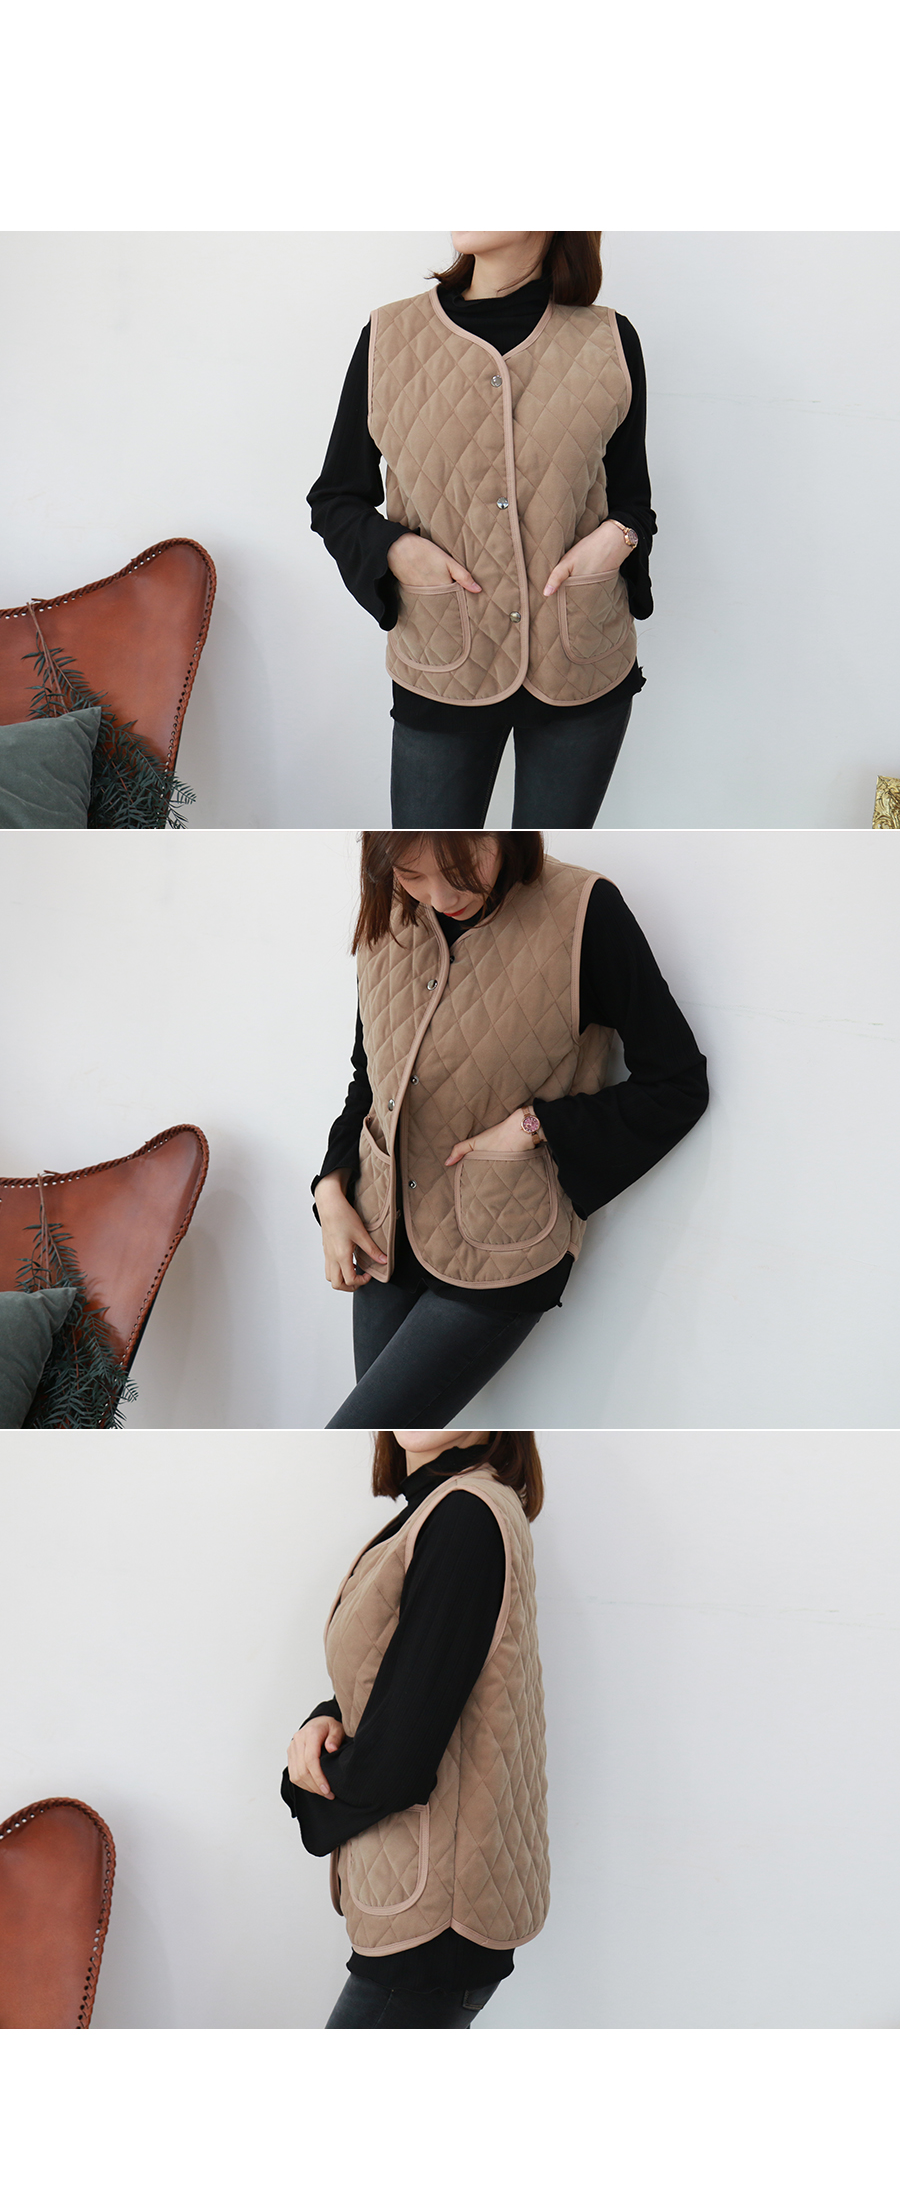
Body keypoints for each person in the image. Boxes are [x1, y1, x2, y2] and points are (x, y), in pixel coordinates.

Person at [313, 827, 708, 1428]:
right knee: (387, 1447)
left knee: (359, 1430)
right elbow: (372, 1078)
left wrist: (535, 1124)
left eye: (460, 869)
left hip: (501, 1246)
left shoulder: (584, 911)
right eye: (413, 875)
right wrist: (330, 1191)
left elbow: (677, 1084)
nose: (441, 897)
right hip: (379, 1235)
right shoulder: (389, 910)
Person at [309, 225, 655, 826]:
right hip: (445, 659)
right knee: (428, 857)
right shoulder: (390, 336)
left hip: (581, 661)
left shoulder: (609, 339)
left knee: (540, 860)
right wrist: (397, 552)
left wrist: (616, 539)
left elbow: (633, 499)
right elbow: (336, 498)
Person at [283, 1425, 548, 2029]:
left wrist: (304, 1787)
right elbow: (402, 1676)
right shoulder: (439, 1509)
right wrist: (324, 1720)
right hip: (430, 1906)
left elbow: (397, 1760)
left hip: (435, 1922)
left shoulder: (463, 1517)